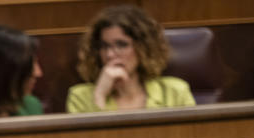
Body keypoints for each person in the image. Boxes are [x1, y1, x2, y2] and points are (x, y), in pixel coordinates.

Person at [66, 5, 195, 113]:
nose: (110, 54)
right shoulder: (80, 96)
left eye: (122, 45)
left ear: (143, 47)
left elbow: (192, 137)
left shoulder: (175, 91)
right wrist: (99, 96)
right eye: (104, 46)